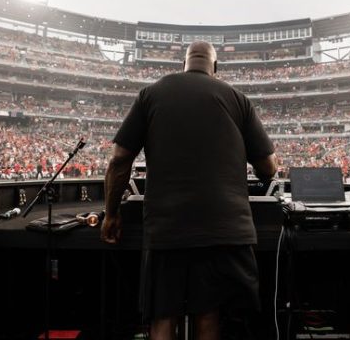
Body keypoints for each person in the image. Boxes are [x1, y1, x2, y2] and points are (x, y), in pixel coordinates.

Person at [101, 41, 277, 340]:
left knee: (162, 316)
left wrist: (111, 213)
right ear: (215, 67)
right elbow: (268, 168)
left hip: (167, 227)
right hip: (223, 227)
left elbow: (119, 160)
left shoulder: (150, 94)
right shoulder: (238, 99)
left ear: (183, 64)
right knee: (208, 315)